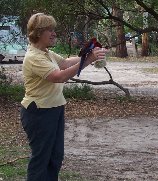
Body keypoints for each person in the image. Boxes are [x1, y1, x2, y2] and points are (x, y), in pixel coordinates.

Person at [20, 13, 106, 181]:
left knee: (55, 157)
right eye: (49, 30)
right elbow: (59, 76)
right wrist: (88, 60)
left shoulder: (46, 53)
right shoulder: (34, 57)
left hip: (55, 108)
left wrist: (91, 53)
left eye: (54, 29)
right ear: (37, 33)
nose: (54, 33)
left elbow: (66, 63)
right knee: (41, 159)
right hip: (38, 111)